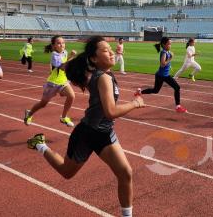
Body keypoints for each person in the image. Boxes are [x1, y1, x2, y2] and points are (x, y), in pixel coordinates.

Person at [27, 36, 145, 217]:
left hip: (105, 133)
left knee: (125, 173)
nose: (112, 52)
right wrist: (135, 103)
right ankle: (39, 144)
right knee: (66, 173)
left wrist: (73, 61)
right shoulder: (103, 78)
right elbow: (110, 112)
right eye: (105, 50)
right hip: (87, 134)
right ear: (94, 58)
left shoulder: (103, 75)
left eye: (110, 48)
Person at [24, 35, 77, 127]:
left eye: (63, 43)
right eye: (59, 43)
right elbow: (62, 67)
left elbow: (67, 66)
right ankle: (29, 113)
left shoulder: (65, 52)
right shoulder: (54, 55)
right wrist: (71, 57)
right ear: (54, 46)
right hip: (53, 83)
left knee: (72, 96)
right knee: (43, 103)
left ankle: (63, 117)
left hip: (63, 81)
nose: (62, 45)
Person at [136, 37, 187, 113]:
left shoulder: (167, 51)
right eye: (169, 44)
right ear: (164, 44)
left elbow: (166, 64)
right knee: (160, 90)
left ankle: (140, 92)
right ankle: (178, 107)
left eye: (170, 44)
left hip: (164, 75)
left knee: (161, 90)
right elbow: (162, 64)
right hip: (161, 76)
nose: (170, 45)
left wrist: (169, 63)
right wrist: (170, 58)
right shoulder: (163, 53)